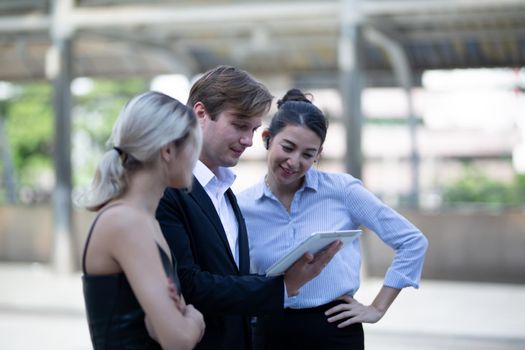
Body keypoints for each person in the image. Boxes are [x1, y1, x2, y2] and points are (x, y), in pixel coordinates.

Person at [155, 66, 341, 350]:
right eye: (240, 125)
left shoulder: (226, 194)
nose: (249, 140)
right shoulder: (167, 190)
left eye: (254, 129)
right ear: (200, 113)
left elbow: (229, 280)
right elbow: (188, 284)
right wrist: (282, 285)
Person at [237, 88, 429, 350]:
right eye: (288, 147)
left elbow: (412, 241)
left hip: (335, 331)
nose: (294, 162)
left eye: (308, 154)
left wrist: (377, 307)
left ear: (319, 154)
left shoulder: (342, 191)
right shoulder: (241, 207)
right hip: (268, 332)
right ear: (268, 138)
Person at [78, 91, 206, 350]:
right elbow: (178, 340)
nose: (196, 157)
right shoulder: (125, 222)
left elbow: (165, 327)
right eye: (194, 144)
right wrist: (195, 318)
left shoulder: (144, 220)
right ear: (168, 150)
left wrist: (178, 319)